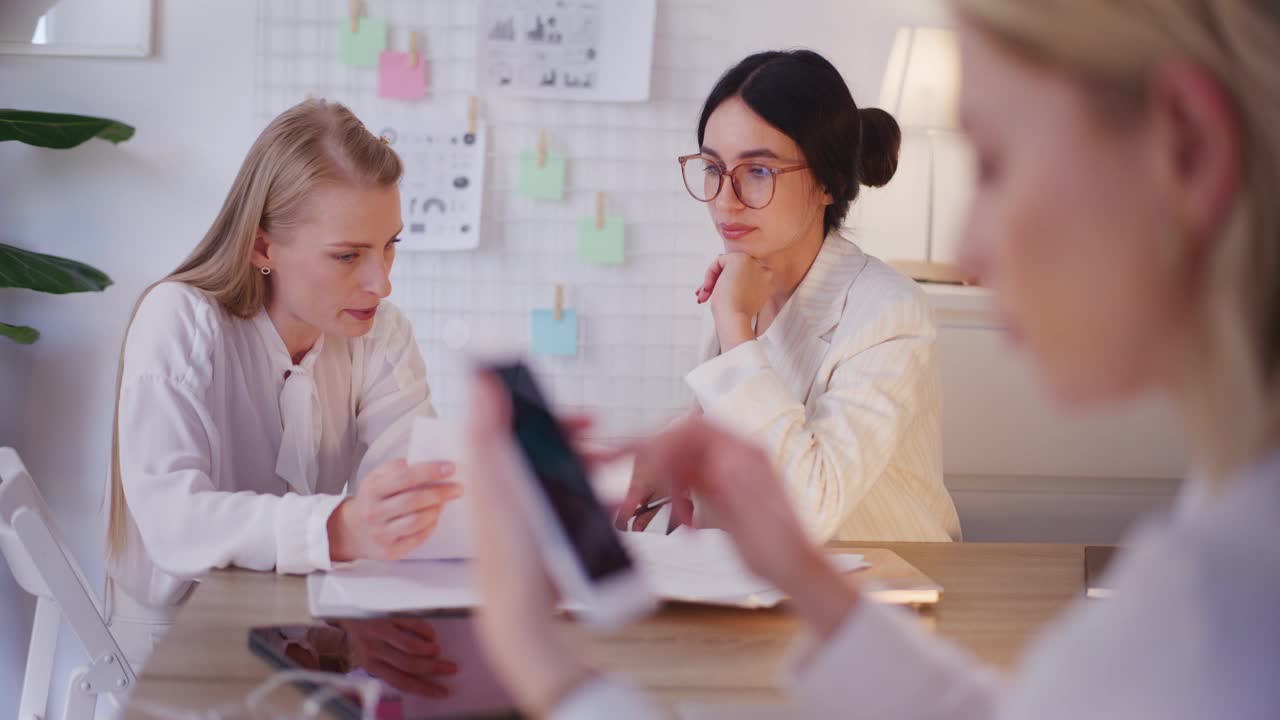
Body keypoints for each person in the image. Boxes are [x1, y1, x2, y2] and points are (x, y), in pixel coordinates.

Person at [466, 0, 1280, 717]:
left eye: (993, 162)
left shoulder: (1219, 608)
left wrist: (540, 664)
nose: (964, 249)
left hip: (917, 593)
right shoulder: (1219, 541)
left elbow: (813, 496)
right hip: (786, 605)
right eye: (712, 171)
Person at [104, 99, 462, 670]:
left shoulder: (380, 335)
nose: (382, 282)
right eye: (348, 255)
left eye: (391, 243)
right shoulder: (179, 319)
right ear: (263, 247)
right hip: (179, 646)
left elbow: (407, 496)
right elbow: (174, 523)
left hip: (310, 629)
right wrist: (339, 527)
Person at [620, 49, 961, 543]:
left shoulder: (889, 312)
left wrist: (736, 328)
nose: (724, 199)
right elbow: (735, 432)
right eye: (713, 169)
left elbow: (806, 511)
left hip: (886, 588)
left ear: (830, 182)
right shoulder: (737, 289)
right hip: (763, 588)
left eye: (758, 172)